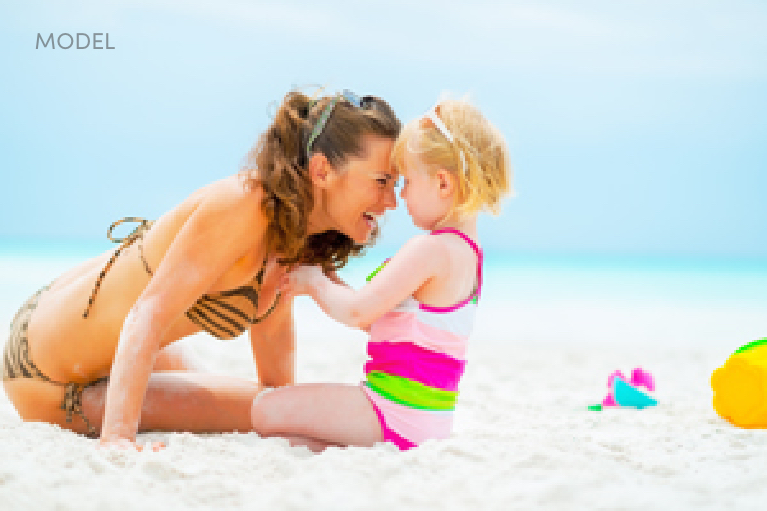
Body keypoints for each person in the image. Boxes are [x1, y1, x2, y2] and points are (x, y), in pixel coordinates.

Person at [1, 89, 401, 450]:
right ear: (321, 171)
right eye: (381, 181)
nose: (391, 202)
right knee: (274, 411)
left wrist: (285, 405)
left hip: (67, 324)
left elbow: (273, 328)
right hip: (50, 380)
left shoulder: (294, 234)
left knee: (268, 406)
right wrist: (118, 439)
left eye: (396, 184)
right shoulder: (244, 205)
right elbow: (148, 313)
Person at [251, 98, 512, 452]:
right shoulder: (468, 255)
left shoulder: (430, 250)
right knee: (290, 438)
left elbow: (358, 311)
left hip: (390, 412)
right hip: (427, 420)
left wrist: (313, 282)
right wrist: (331, 280)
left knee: (264, 410)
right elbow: (375, 318)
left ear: (443, 184)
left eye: (405, 181)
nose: (399, 196)